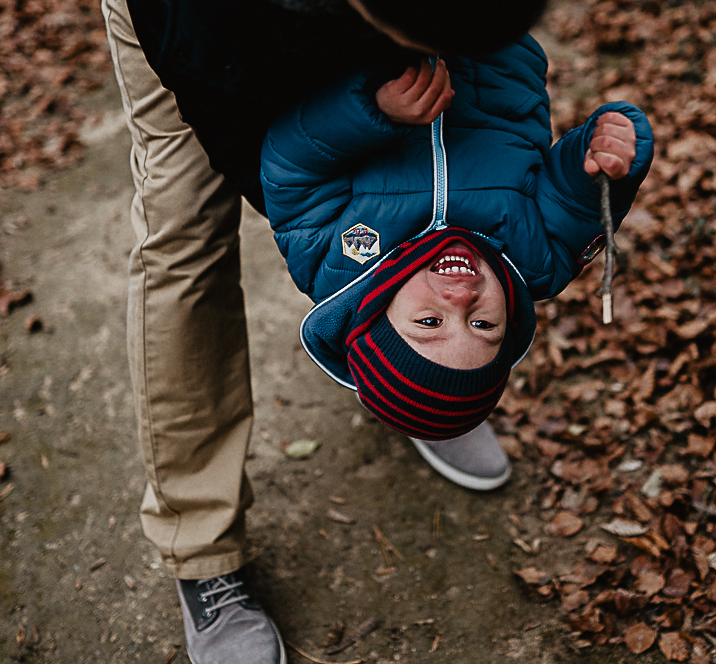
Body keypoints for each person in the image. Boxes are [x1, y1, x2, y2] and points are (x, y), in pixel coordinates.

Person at [84, 0, 601, 660]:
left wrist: (418, 314)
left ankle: (422, 374)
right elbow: (270, 160)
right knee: (184, 225)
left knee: (428, 119)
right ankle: (202, 547)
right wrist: (363, 276)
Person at [261, 38, 653, 483]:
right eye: (483, 325)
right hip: (491, 44)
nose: (462, 300)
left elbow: (289, 166)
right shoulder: (537, 259)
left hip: (366, 49)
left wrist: (373, 112)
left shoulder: (330, 262)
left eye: (430, 322)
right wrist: (606, 161)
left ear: (377, 313)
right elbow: (574, 202)